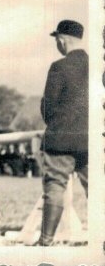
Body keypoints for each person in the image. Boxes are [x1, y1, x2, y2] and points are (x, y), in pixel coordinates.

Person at [36, 19, 88, 246]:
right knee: (98, 188)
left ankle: (46, 241)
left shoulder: (59, 67)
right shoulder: (98, 65)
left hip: (61, 138)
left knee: (55, 186)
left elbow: (48, 107)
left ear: (61, 40)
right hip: (92, 140)